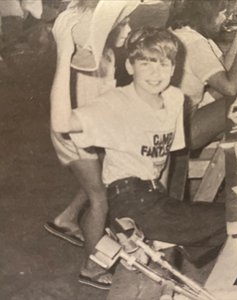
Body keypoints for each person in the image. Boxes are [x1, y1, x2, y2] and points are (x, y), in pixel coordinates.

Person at [51, 26, 227, 254]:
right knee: (231, 218)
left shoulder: (174, 98)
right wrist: (64, 57)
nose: (156, 74)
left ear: (174, 68)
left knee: (226, 219)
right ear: (130, 66)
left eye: (163, 64)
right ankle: (144, 251)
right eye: (146, 64)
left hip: (154, 199)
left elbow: (165, 161)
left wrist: (164, 198)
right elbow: (62, 123)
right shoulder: (117, 102)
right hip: (128, 202)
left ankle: (165, 248)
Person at [46, 0, 140, 290]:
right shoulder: (96, 62)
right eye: (122, 24)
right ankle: (90, 268)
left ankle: (66, 218)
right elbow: (88, 115)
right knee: (101, 196)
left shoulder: (98, 52)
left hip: (72, 130)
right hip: (76, 135)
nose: (129, 28)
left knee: (93, 180)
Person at [168, 0, 237, 150]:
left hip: (181, 117)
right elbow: (229, 88)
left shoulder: (187, 32)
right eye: (221, 14)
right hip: (183, 130)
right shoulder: (194, 43)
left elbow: (223, 65)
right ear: (205, 15)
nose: (225, 19)